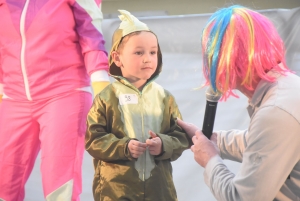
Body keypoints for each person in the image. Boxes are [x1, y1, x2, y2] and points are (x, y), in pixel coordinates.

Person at [177, 5, 300, 201]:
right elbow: (260, 143)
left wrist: (210, 161)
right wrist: (211, 140)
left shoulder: (276, 111)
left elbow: (242, 198)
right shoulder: (285, 92)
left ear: (224, 55)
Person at [0, 1, 110, 200]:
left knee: (59, 184)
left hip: (64, 93)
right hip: (12, 97)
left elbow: (92, 33)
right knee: (4, 182)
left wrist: (103, 90)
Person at [85, 10, 190, 201]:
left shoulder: (165, 98)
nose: (147, 58)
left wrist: (163, 144)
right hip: (116, 191)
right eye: (138, 52)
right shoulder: (107, 98)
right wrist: (124, 147)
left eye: (153, 52)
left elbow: (181, 136)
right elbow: (93, 140)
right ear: (117, 58)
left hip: (159, 191)